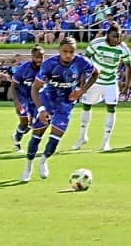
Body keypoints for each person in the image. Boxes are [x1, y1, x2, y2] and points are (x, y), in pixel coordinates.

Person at [25, 39, 94, 181]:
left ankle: (43, 160)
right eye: (65, 51)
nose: (68, 55)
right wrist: (41, 110)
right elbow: (35, 89)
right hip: (48, 101)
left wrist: (82, 90)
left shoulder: (82, 62)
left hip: (66, 105)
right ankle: (28, 166)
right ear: (59, 51)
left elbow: (95, 73)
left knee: (55, 139)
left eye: (71, 52)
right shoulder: (49, 65)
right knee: (37, 135)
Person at [75, 24, 131, 152]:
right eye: (114, 36)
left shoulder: (123, 49)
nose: (117, 39)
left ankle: (106, 142)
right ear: (108, 35)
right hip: (95, 80)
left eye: (119, 36)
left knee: (111, 107)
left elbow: (129, 67)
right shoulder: (96, 44)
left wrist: (127, 86)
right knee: (86, 105)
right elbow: (85, 62)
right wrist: (82, 82)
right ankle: (82, 136)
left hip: (111, 81)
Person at [9, 47, 46, 151]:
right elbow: (13, 85)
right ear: (32, 57)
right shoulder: (23, 69)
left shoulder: (46, 68)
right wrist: (16, 102)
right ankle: (17, 142)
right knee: (24, 121)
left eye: (41, 57)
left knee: (34, 124)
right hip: (23, 98)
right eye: (37, 57)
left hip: (37, 99)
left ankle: (17, 133)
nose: (39, 60)